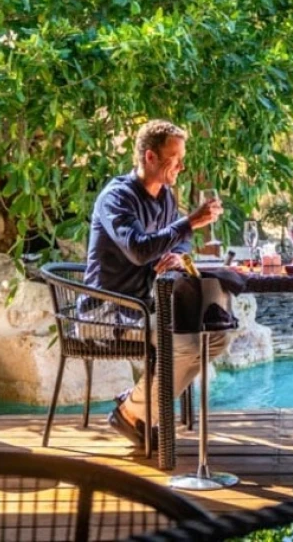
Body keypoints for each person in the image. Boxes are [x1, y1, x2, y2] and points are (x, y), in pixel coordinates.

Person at [84, 119, 227, 450]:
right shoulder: (116, 198)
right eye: (174, 157)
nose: (182, 165)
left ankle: (133, 408)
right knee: (187, 343)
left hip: (146, 305)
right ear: (150, 157)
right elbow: (138, 249)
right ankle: (138, 413)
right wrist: (189, 222)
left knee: (216, 336)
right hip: (108, 311)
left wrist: (176, 255)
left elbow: (178, 244)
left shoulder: (164, 197)